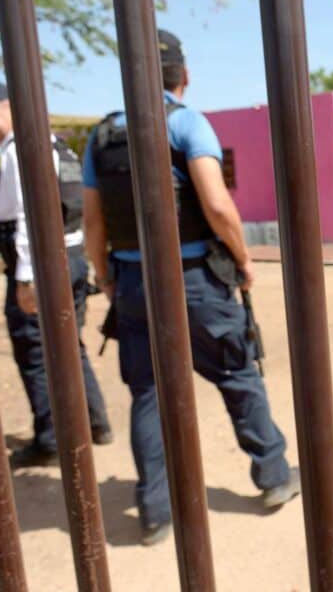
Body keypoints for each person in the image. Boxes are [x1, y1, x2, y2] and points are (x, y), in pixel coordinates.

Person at [81, 30, 300, 546]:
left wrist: (108, 277)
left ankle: (156, 509)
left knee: (149, 393)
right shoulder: (184, 121)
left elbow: (93, 225)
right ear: (183, 76)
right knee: (237, 374)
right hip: (194, 279)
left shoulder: (103, 136)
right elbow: (218, 206)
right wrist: (244, 260)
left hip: (133, 282)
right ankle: (272, 478)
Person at [0, 81, 112, 468]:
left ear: (9, 106)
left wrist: (27, 279)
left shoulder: (19, 151)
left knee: (34, 351)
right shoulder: (54, 145)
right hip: (71, 256)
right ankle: (95, 422)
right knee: (67, 344)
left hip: (41, 264)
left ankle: (50, 439)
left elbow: (29, 217)